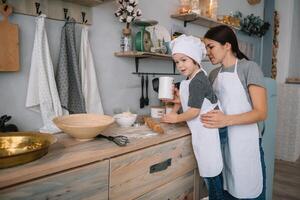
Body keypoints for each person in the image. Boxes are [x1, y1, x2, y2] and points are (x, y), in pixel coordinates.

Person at [201, 25, 267, 200]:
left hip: (246, 144)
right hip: (222, 146)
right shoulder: (213, 75)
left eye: (211, 46)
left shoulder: (249, 68)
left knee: (249, 192)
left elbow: (260, 113)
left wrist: (226, 120)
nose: (207, 52)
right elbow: (207, 106)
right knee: (226, 192)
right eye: (206, 47)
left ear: (227, 46)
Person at [161, 34, 225, 200]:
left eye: (184, 60)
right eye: (177, 62)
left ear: (195, 59)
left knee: (211, 174)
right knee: (212, 173)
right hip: (203, 133)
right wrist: (176, 101)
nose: (180, 65)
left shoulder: (197, 81)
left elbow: (194, 111)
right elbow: (191, 101)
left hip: (206, 134)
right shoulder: (194, 77)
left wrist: (175, 118)